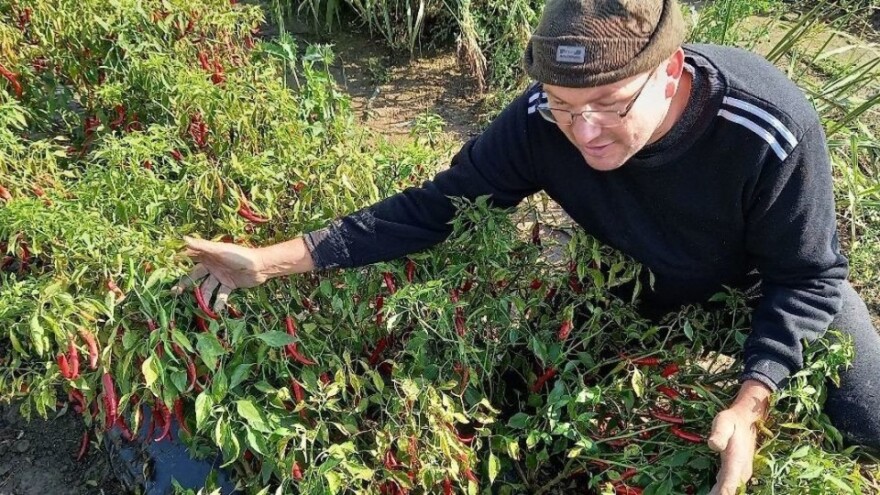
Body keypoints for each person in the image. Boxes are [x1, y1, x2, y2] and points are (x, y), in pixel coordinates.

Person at [172, 0, 880, 492]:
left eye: (609, 106)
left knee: (870, 422)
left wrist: (750, 400)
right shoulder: (545, 117)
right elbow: (436, 209)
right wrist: (269, 260)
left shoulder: (767, 127)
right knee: (528, 397)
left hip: (772, 285)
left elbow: (807, 277)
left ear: (671, 71)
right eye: (567, 109)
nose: (586, 132)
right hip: (639, 274)